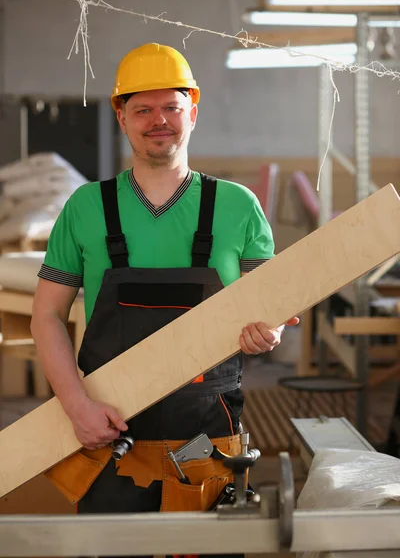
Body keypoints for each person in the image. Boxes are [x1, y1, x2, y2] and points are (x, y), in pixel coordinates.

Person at [31, 43, 299, 526]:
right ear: (121, 115)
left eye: (171, 108)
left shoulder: (239, 206)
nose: (159, 121)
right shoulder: (85, 207)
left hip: (209, 437)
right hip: (105, 434)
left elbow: (269, 310)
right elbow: (46, 315)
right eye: (143, 109)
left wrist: (270, 331)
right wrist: (76, 408)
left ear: (192, 111)